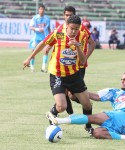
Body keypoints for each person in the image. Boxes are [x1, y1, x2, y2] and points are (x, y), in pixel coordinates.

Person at [23, 15, 93, 135]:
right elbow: (43, 43)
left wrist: (77, 46)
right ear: (67, 26)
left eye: (76, 29)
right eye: (71, 28)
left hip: (74, 74)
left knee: (87, 104)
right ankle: (52, 112)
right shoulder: (58, 33)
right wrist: (30, 57)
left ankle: (88, 127)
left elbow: (82, 60)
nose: (73, 31)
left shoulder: (82, 36)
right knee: (62, 107)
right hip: (57, 75)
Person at [46, 6, 95, 135]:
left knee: (81, 101)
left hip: (77, 69)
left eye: (70, 15)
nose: (68, 17)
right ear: (64, 17)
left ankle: (87, 125)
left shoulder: (82, 31)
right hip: (60, 72)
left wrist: (83, 56)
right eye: (66, 15)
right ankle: (61, 112)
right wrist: (45, 49)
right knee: (63, 101)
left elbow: (92, 44)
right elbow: (49, 41)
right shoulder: (59, 31)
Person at [29, 4, 51, 72]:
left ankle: (43, 68)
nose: (41, 10)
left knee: (46, 51)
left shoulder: (47, 19)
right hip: (36, 38)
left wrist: (50, 36)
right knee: (33, 52)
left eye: (42, 9)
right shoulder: (35, 18)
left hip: (44, 38)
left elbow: (48, 28)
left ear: (44, 10)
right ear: (38, 10)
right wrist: (38, 29)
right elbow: (31, 27)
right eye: (40, 9)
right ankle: (32, 67)